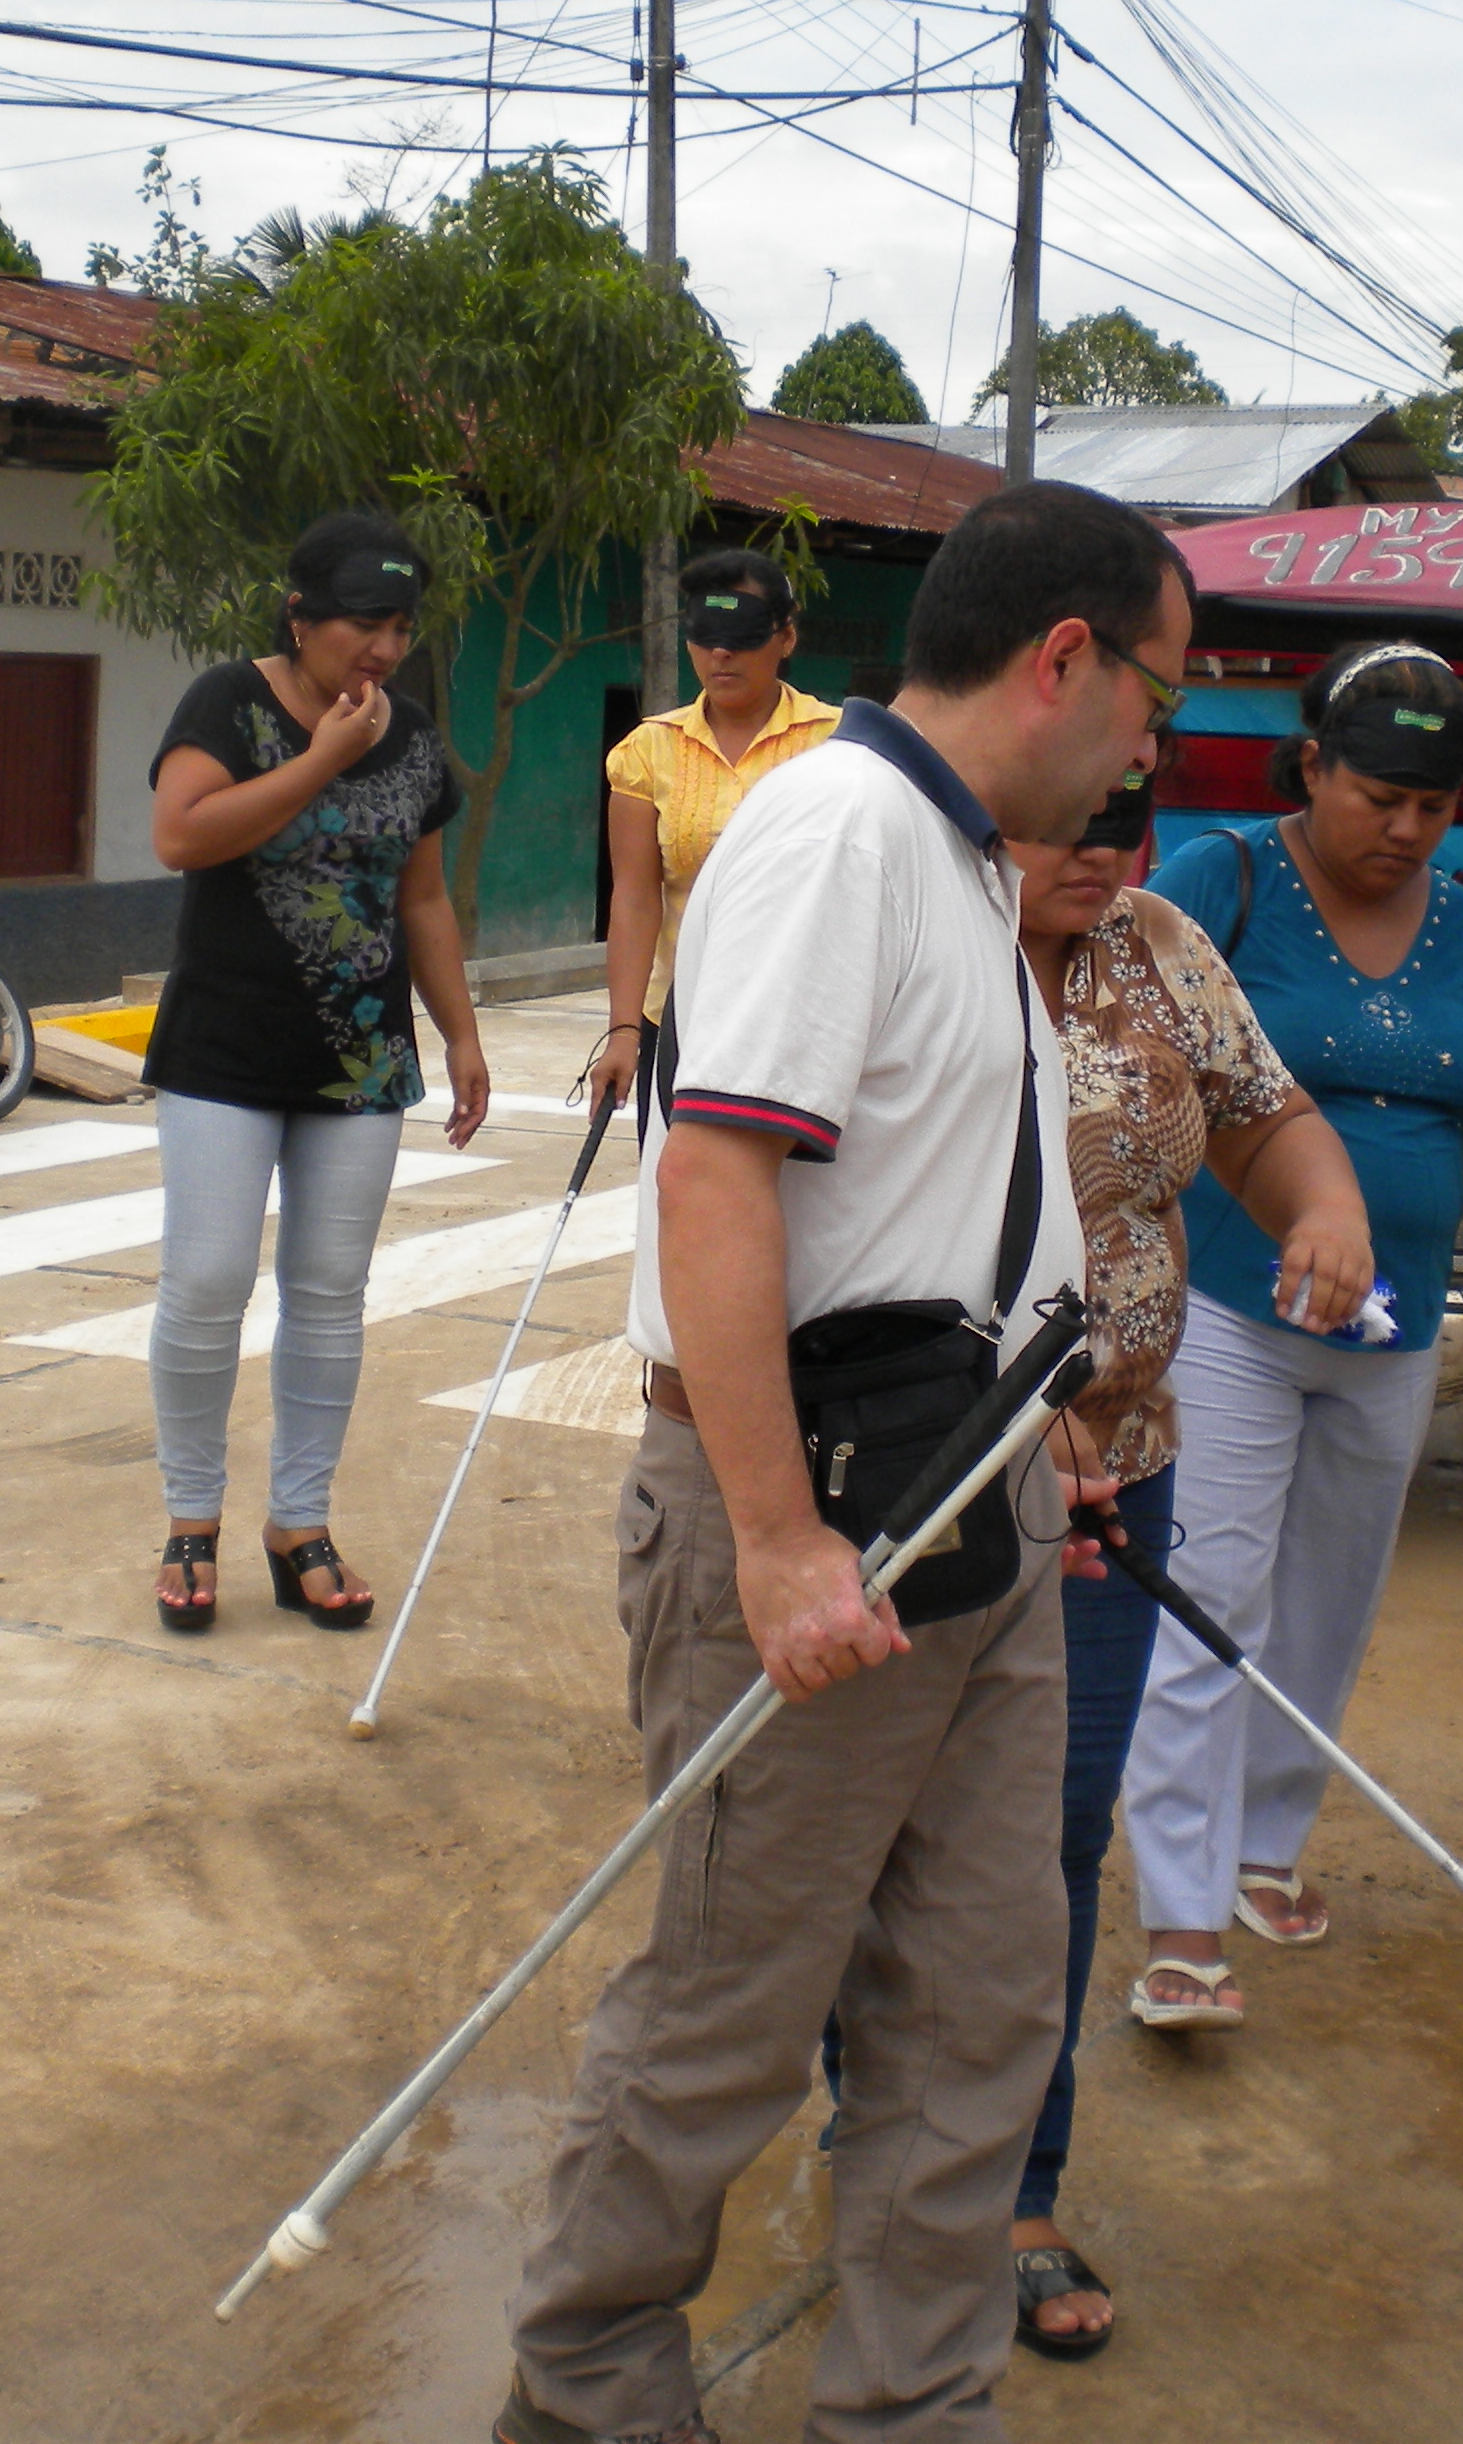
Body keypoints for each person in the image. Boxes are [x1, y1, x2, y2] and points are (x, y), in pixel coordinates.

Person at [499, 480, 1186, 2444]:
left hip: (966, 1517)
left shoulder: (973, 855)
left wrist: (1042, 1445)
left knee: (976, 2017)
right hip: (803, 1526)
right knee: (729, 2014)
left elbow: (933, 1197)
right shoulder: (838, 834)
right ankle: (590, 2390)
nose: (1157, 745)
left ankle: (905, 2411)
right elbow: (716, 1173)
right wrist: (785, 1543)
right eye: (1156, 692)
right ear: (1066, 659)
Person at [1118, 642, 1463, 2032]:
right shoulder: (1225, 883)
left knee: (1326, 1612)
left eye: (1431, 807)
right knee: (1208, 1602)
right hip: (1229, 1316)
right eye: (1377, 794)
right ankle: (1181, 1914)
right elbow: (1132, 1060)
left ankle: (1267, 1845)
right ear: (1311, 764)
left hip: (1397, 1336)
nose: (1402, 827)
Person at [997, 769, 1374, 2364]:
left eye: (1130, 817)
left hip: (1120, 1484)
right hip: (934, 1482)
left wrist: (1325, 1202)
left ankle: (1015, 2188)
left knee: (1054, 1831)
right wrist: (1013, 1434)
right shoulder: (911, 937)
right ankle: (870, 2132)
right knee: (887, 1838)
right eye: (1069, 818)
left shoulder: (1155, 948)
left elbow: (1261, 1113)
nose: (1104, 850)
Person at [140, 510, 489, 1635]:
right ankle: (191, 1516)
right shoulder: (225, 704)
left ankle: (301, 1523)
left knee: (330, 1292)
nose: (381, 649)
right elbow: (182, 836)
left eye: (397, 627)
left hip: (359, 1059)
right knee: (205, 1281)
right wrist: (322, 760)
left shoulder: (416, 735)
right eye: (361, 625)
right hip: (223, 1050)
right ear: (299, 617)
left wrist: (461, 1035)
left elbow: (422, 896)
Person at [589, 548, 842, 1125]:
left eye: (744, 633)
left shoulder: (840, 742)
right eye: (705, 634)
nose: (722, 652)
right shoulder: (646, 750)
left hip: (804, 1022)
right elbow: (633, 898)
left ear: (787, 638)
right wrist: (624, 1032)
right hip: (679, 1019)